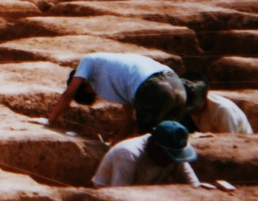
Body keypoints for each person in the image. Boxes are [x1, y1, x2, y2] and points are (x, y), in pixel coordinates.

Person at [48, 52, 192, 137]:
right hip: (177, 84)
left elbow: (68, 95)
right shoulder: (119, 74)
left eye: (91, 91)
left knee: (147, 141)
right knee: (170, 139)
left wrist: (49, 122)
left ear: (84, 86)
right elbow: (130, 121)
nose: (96, 92)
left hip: (153, 88)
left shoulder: (88, 61)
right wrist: (115, 144)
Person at [93, 121, 201, 188]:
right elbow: (118, 196)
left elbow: (194, 185)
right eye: (167, 155)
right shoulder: (128, 154)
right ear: (153, 144)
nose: (171, 161)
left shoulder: (173, 155)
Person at [182, 74, 252, 134]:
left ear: (203, 99)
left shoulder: (222, 110)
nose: (192, 111)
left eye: (194, 107)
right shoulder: (188, 109)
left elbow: (229, 140)